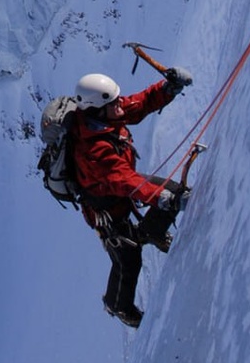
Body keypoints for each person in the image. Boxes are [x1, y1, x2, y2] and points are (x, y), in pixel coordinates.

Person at [69, 68, 192, 328]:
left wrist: (166, 88)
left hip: (118, 194)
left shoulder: (103, 114)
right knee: (128, 259)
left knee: (172, 193)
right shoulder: (93, 151)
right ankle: (119, 306)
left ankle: (151, 232)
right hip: (108, 214)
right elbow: (124, 181)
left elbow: (137, 105)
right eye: (113, 103)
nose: (119, 105)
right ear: (97, 110)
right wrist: (158, 198)